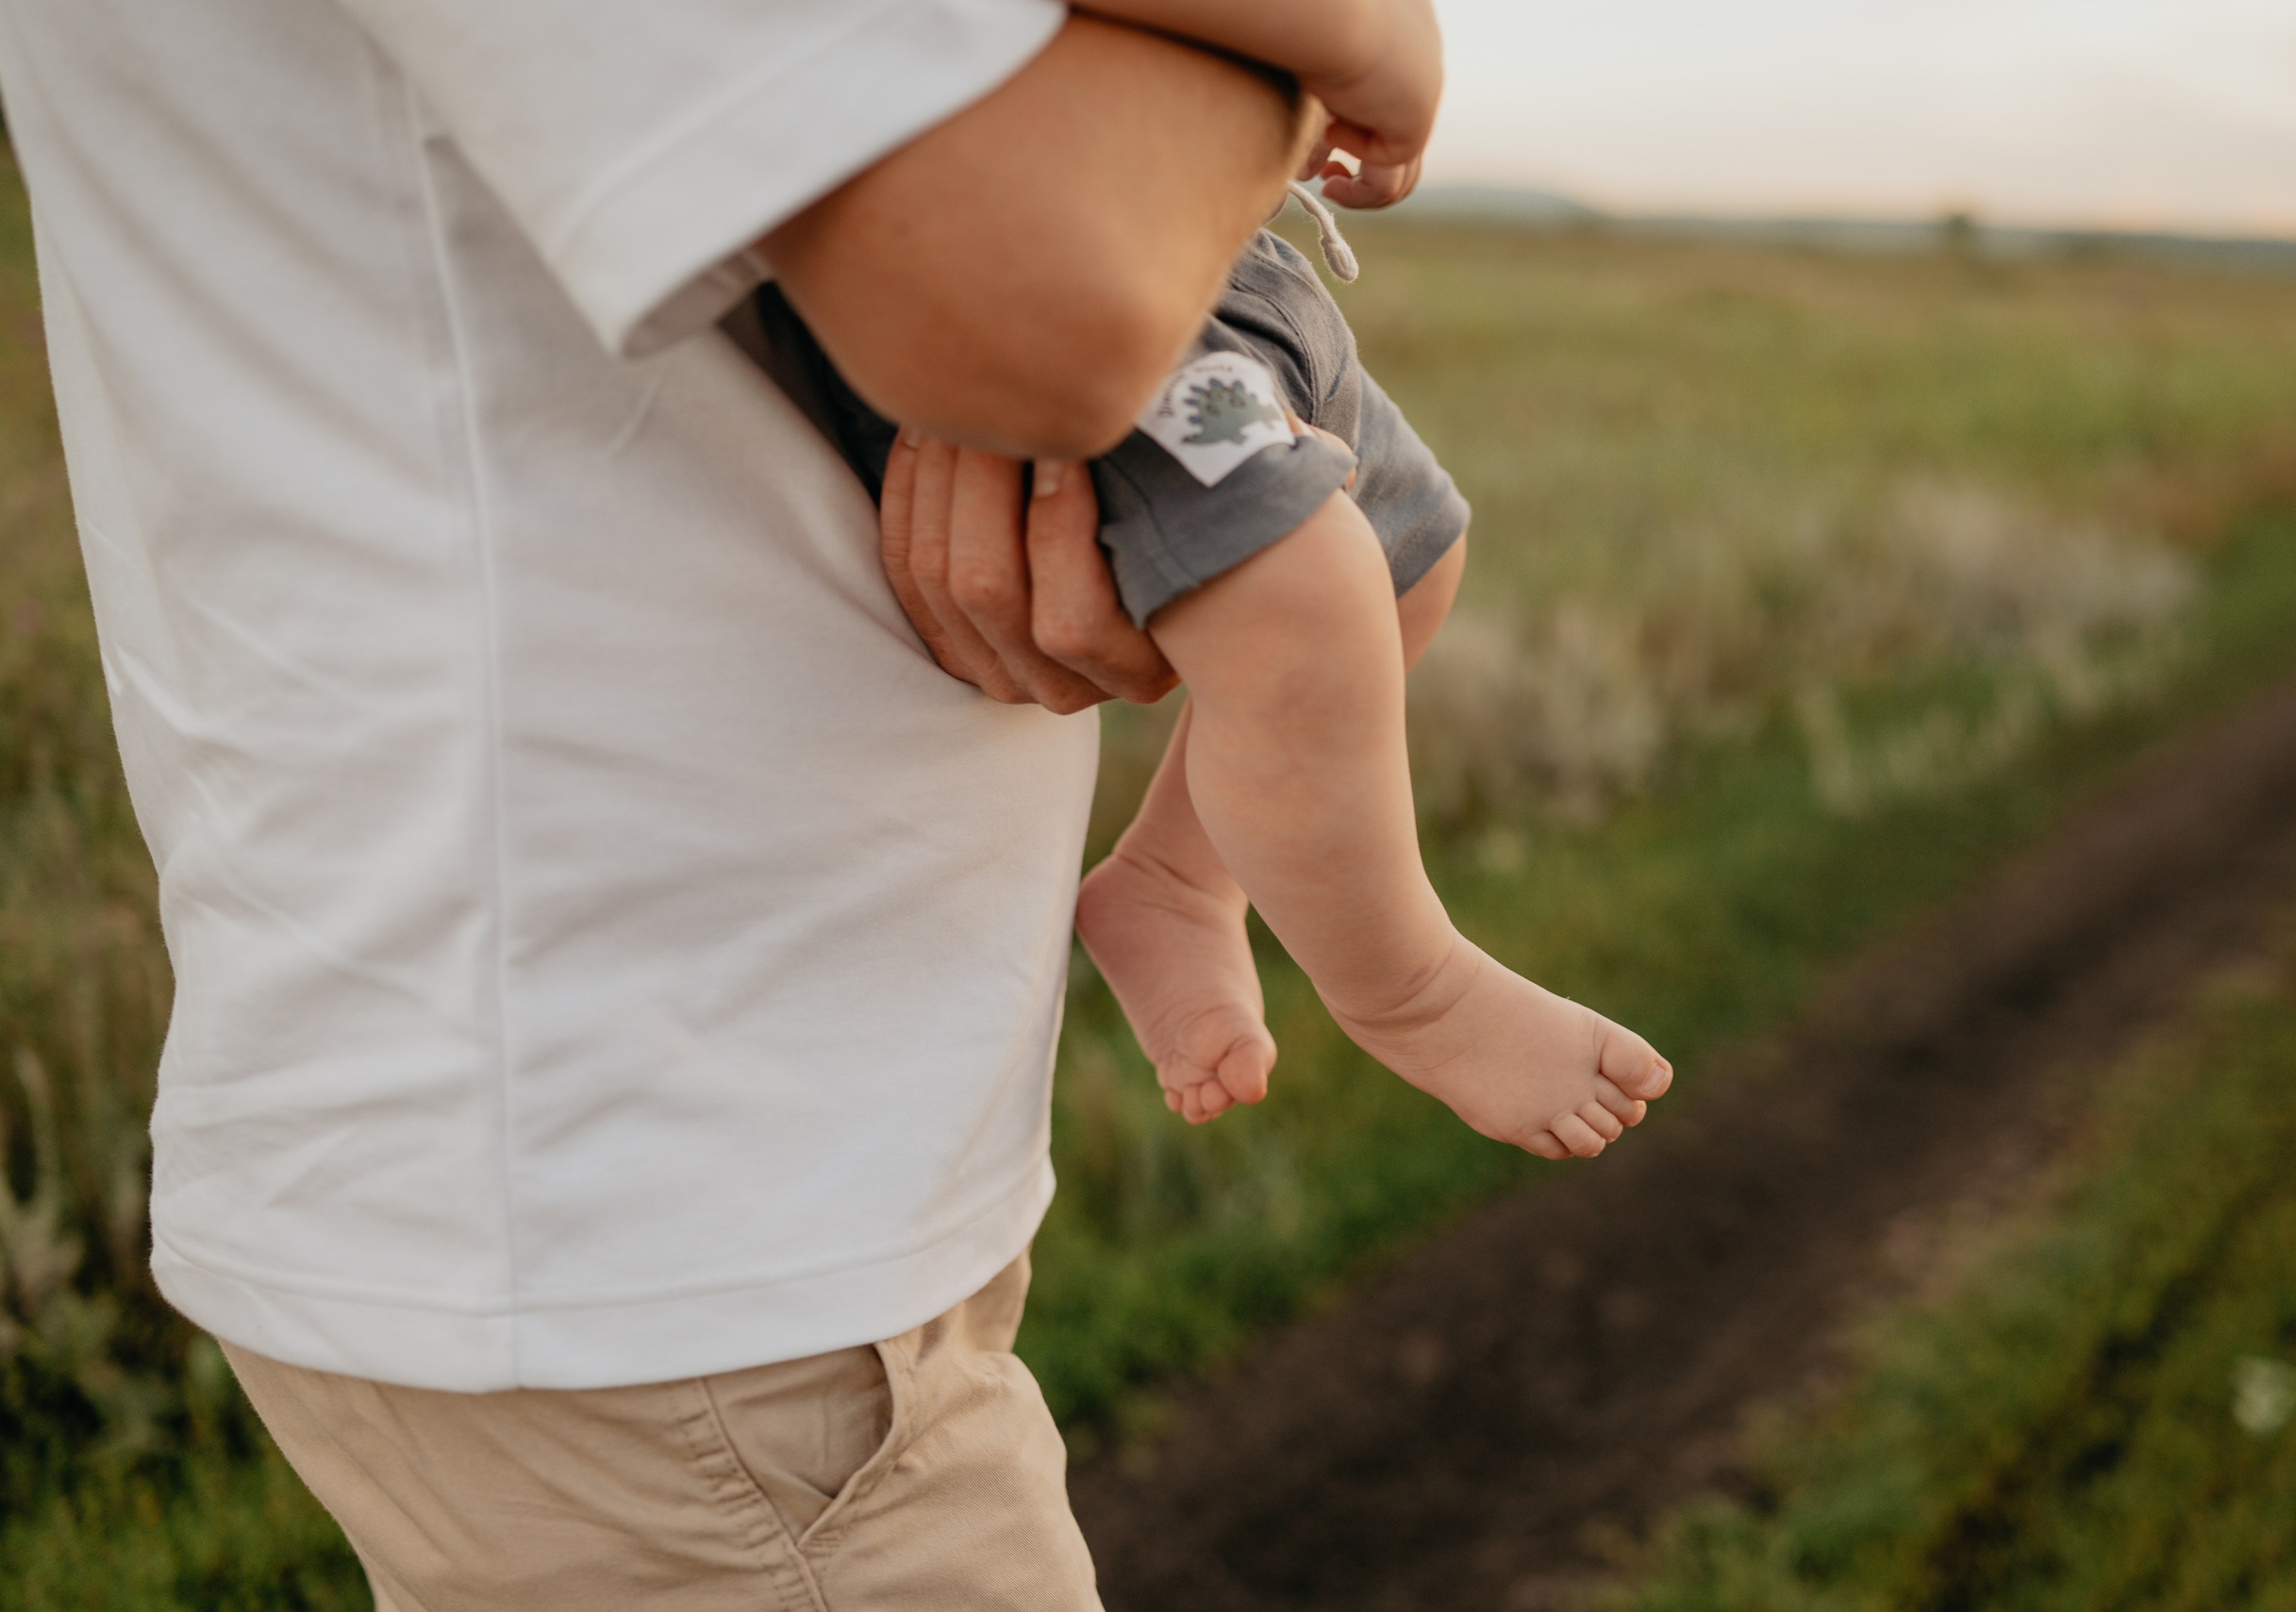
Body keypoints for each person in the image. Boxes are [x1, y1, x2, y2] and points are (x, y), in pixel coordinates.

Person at [0, 0, 1443, 1605]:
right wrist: (1353, 34)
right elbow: (1050, 293)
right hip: (669, 1212)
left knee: (1400, 550)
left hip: (677, 1168)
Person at [756, 205, 1673, 1157]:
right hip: (1063, 266)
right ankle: (1412, 991)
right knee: (1309, 597)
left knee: (1415, 553)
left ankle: (1179, 876)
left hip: (1236, 269)